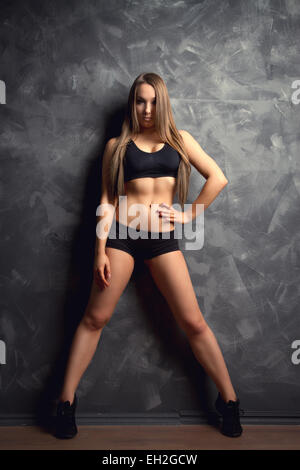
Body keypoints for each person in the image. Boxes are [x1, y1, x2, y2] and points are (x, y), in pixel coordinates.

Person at [54, 72, 245, 440]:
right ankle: (65, 403)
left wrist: (190, 214)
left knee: (193, 323)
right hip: (122, 237)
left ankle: (231, 402)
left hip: (161, 240)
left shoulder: (180, 140)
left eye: (153, 101)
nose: (146, 108)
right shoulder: (117, 145)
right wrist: (99, 250)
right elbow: (107, 201)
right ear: (133, 103)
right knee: (95, 318)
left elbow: (217, 177)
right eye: (140, 101)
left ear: (163, 102)